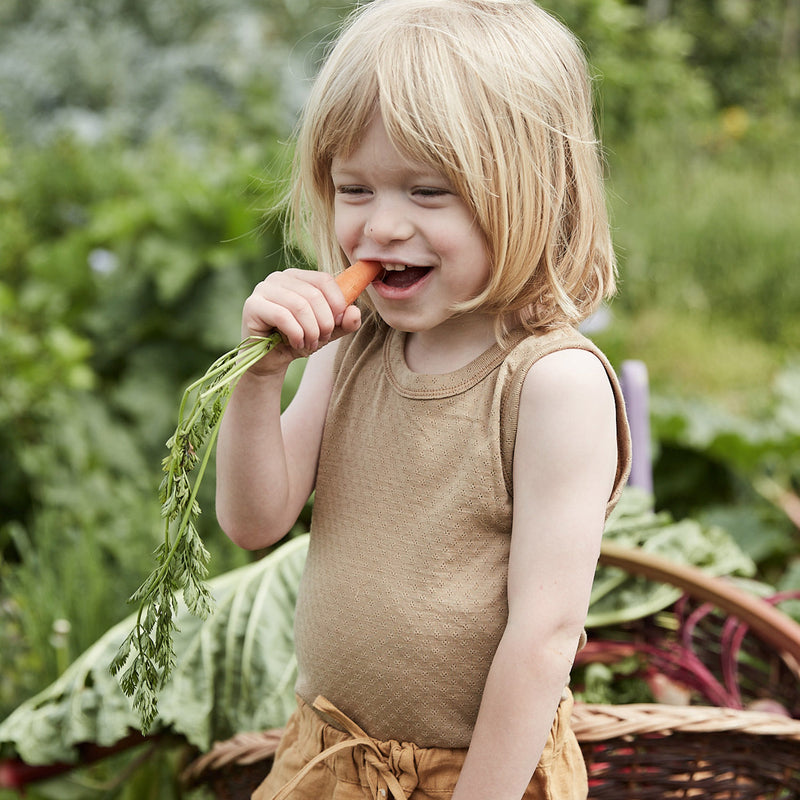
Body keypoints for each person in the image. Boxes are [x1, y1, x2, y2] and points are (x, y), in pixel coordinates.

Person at [215, 0, 632, 798]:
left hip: (479, 775)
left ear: (529, 193)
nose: (381, 226)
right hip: (328, 757)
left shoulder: (551, 384)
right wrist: (258, 378)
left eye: (428, 191)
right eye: (355, 188)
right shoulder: (355, 344)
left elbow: (544, 638)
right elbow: (254, 521)